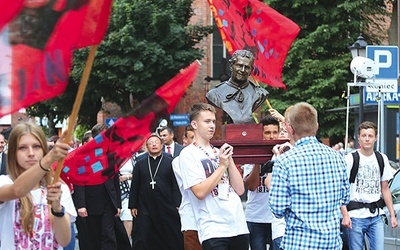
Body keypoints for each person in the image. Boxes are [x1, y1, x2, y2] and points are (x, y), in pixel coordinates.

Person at [269, 102, 350, 249]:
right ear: (316, 126)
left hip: (299, 242)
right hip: (331, 243)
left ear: (291, 129)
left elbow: (277, 208)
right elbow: (345, 198)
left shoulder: (284, 161)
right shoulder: (337, 157)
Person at [179, 103, 249, 249]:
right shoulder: (187, 154)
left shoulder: (219, 152)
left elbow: (240, 189)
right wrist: (222, 166)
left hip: (238, 224)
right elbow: (199, 192)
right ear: (194, 124)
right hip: (213, 227)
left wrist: (229, 161)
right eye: (207, 121)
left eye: (213, 121)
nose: (212, 125)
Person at [0, 122, 76, 249]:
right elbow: (17, 191)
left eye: (36, 146)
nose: (31, 153)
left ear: (43, 150)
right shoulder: (4, 182)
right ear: (13, 153)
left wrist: (57, 209)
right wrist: (49, 159)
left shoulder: (58, 188)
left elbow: (64, 241)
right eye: (22, 148)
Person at [342, 121, 398, 250]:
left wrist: (392, 215)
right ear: (358, 137)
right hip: (355, 215)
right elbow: (341, 188)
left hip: (375, 216)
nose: (367, 139)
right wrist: (345, 214)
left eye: (370, 136)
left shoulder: (381, 158)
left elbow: (385, 189)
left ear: (376, 138)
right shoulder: (350, 158)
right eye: (364, 135)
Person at [72, 123, 129, 250]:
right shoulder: (83, 156)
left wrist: (117, 203)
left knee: (109, 235)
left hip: (108, 200)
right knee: (94, 236)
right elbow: (79, 179)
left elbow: (115, 179)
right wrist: (81, 204)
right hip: (91, 200)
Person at [129, 134, 183, 250]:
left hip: (166, 205)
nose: (153, 145)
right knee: (144, 235)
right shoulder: (140, 163)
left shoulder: (170, 162)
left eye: (156, 142)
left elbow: (175, 184)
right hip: (145, 205)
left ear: (162, 145)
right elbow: (135, 185)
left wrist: (177, 203)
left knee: (169, 234)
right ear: (147, 146)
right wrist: (133, 205)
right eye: (150, 143)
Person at [242, 114, 280, 250]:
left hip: (277, 217)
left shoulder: (284, 154)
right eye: (267, 133)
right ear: (261, 134)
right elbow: (251, 186)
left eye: (275, 132)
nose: (271, 136)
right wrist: (257, 161)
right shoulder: (252, 155)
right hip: (256, 217)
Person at [206, 50, 269, 124]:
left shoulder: (259, 93)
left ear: (251, 70)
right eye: (239, 65)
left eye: (247, 67)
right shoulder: (215, 94)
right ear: (231, 66)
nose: (243, 70)